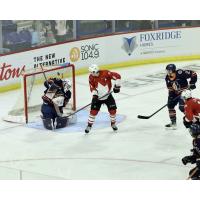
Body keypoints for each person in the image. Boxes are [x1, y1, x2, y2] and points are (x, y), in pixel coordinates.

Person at [85, 64, 121, 134]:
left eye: (92, 72)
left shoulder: (106, 73)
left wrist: (117, 86)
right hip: (97, 97)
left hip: (108, 96)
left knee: (113, 111)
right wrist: (95, 95)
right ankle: (89, 126)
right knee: (93, 112)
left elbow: (118, 76)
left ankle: (113, 124)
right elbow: (92, 87)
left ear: (95, 71)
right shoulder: (91, 77)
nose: (91, 74)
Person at [165, 64, 197, 129]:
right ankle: (173, 123)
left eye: (169, 71)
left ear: (173, 71)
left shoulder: (180, 73)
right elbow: (170, 89)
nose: (168, 72)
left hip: (185, 93)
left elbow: (193, 73)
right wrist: (171, 98)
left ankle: (194, 121)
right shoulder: (167, 78)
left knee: (182, 107)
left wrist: (192, 83)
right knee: (170, 106)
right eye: (167, 71)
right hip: (175, 93)